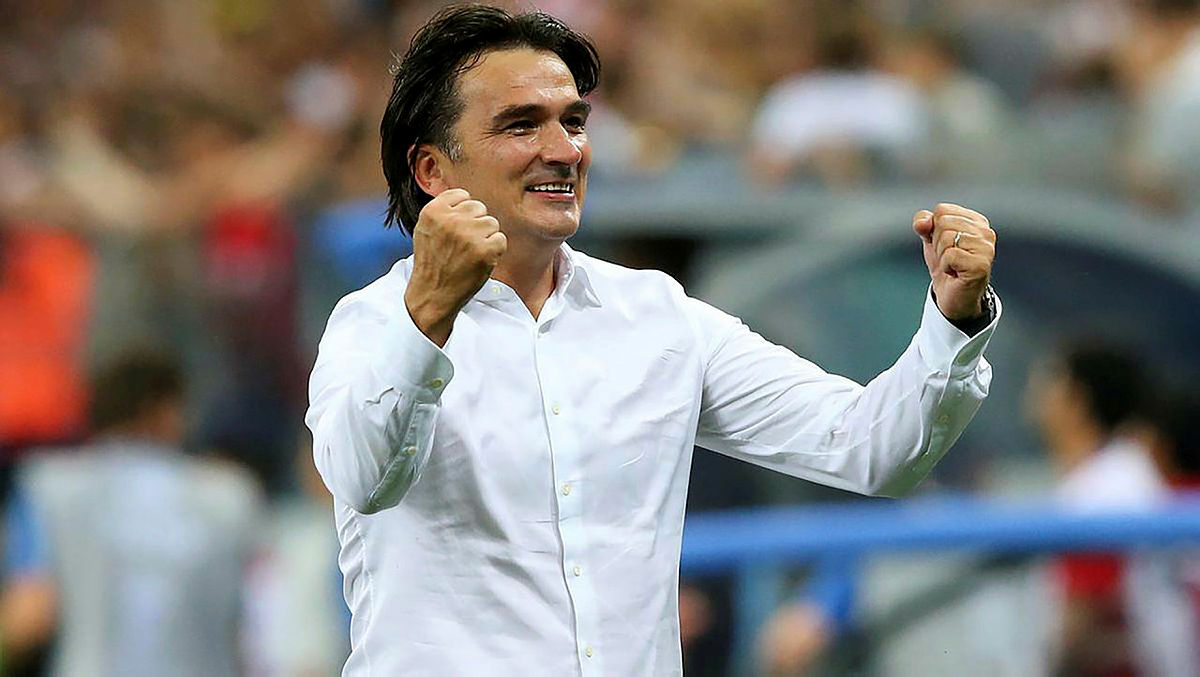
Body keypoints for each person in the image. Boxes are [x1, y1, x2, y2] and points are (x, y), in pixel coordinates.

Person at [305, 6, 1000, 675]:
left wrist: (954, 319)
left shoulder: (660, 317)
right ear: (432, 170)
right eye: (521, 125)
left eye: (573, 121)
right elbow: (366, 480)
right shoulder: (370, 323)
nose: (564, 150)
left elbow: (872, 448)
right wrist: (428, 315)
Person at [2, 348, 263, 676]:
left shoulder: (49, 487)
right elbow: (260, 625)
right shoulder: (230, 495)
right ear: (167, 412)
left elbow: (30, 614)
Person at [1027, 342, 1199, 676]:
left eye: (1050, 381)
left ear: (1077, 399)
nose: (1035, 399)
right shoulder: (1117, 473)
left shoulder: (1104, 489)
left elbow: (1082, 627)